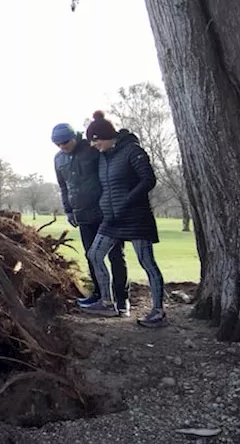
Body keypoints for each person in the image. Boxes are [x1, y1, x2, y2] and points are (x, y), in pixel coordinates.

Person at [82, 110, 168, 328]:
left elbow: (148, 180)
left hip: (136, 217)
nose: (94, 146)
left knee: (147, 263)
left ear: (106, 136)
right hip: (111, 219)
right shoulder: (103, 157)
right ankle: (108, 303)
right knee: (94, 254)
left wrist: (127, 201)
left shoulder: (133, 151)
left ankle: (158, 312)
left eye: (96, 141)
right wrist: (104, 203)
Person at [51, 123, 129, 314]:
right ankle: (100, 294)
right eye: (58, 144)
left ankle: (122, 298)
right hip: (82, 214)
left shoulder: (92, 149)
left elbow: (110, 172)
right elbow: (63, 187)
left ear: (74, 137)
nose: (62, 146)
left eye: (65, 142)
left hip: (105, 212)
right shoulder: (58, 159)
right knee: (91, 256)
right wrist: (69, 210)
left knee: (116, 255)